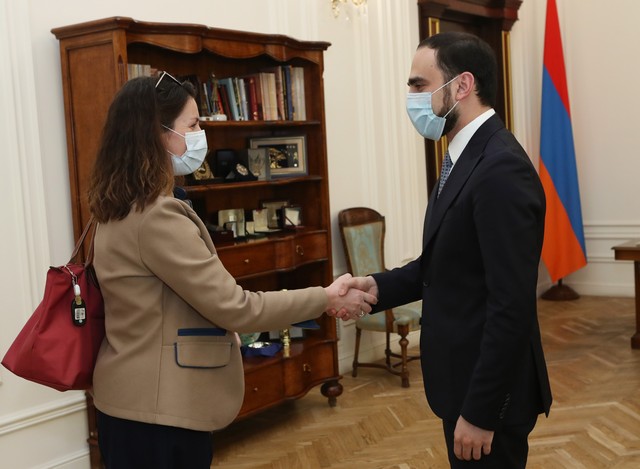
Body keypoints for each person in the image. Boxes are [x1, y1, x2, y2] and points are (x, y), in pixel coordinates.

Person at [87, 73, 375, 469]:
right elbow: (237, 307)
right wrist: (325, 297)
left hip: (132, 403)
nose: (200, 135)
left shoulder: (119, 204)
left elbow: (161, 303)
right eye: (193, 125)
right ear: (157, 133)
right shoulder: (157, 216)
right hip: (158, 413)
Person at [341, 32, 552, 468]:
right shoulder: (464, 156)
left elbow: (511, 305)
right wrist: (375, 287)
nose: (411, 98)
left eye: (419, 85)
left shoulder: (500, 167)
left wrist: (481, 412)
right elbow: (445, 263)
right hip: (461, 380)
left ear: (462, 86)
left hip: (488, 398)